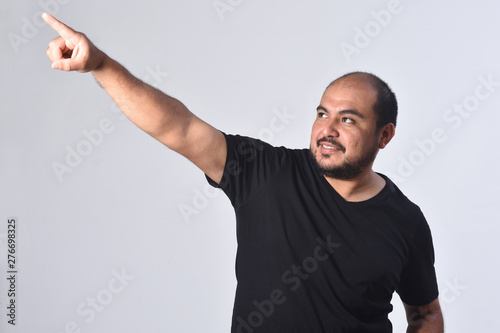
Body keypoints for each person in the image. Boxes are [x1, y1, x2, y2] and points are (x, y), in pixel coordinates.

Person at [42, 12, 444, 332]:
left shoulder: (405, 222)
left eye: (349, 120)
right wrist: (100, 64)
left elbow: (424, 315)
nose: (327, 130)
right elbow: (178, 127)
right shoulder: (265, 172)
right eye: (322, 113)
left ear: (384, 135)